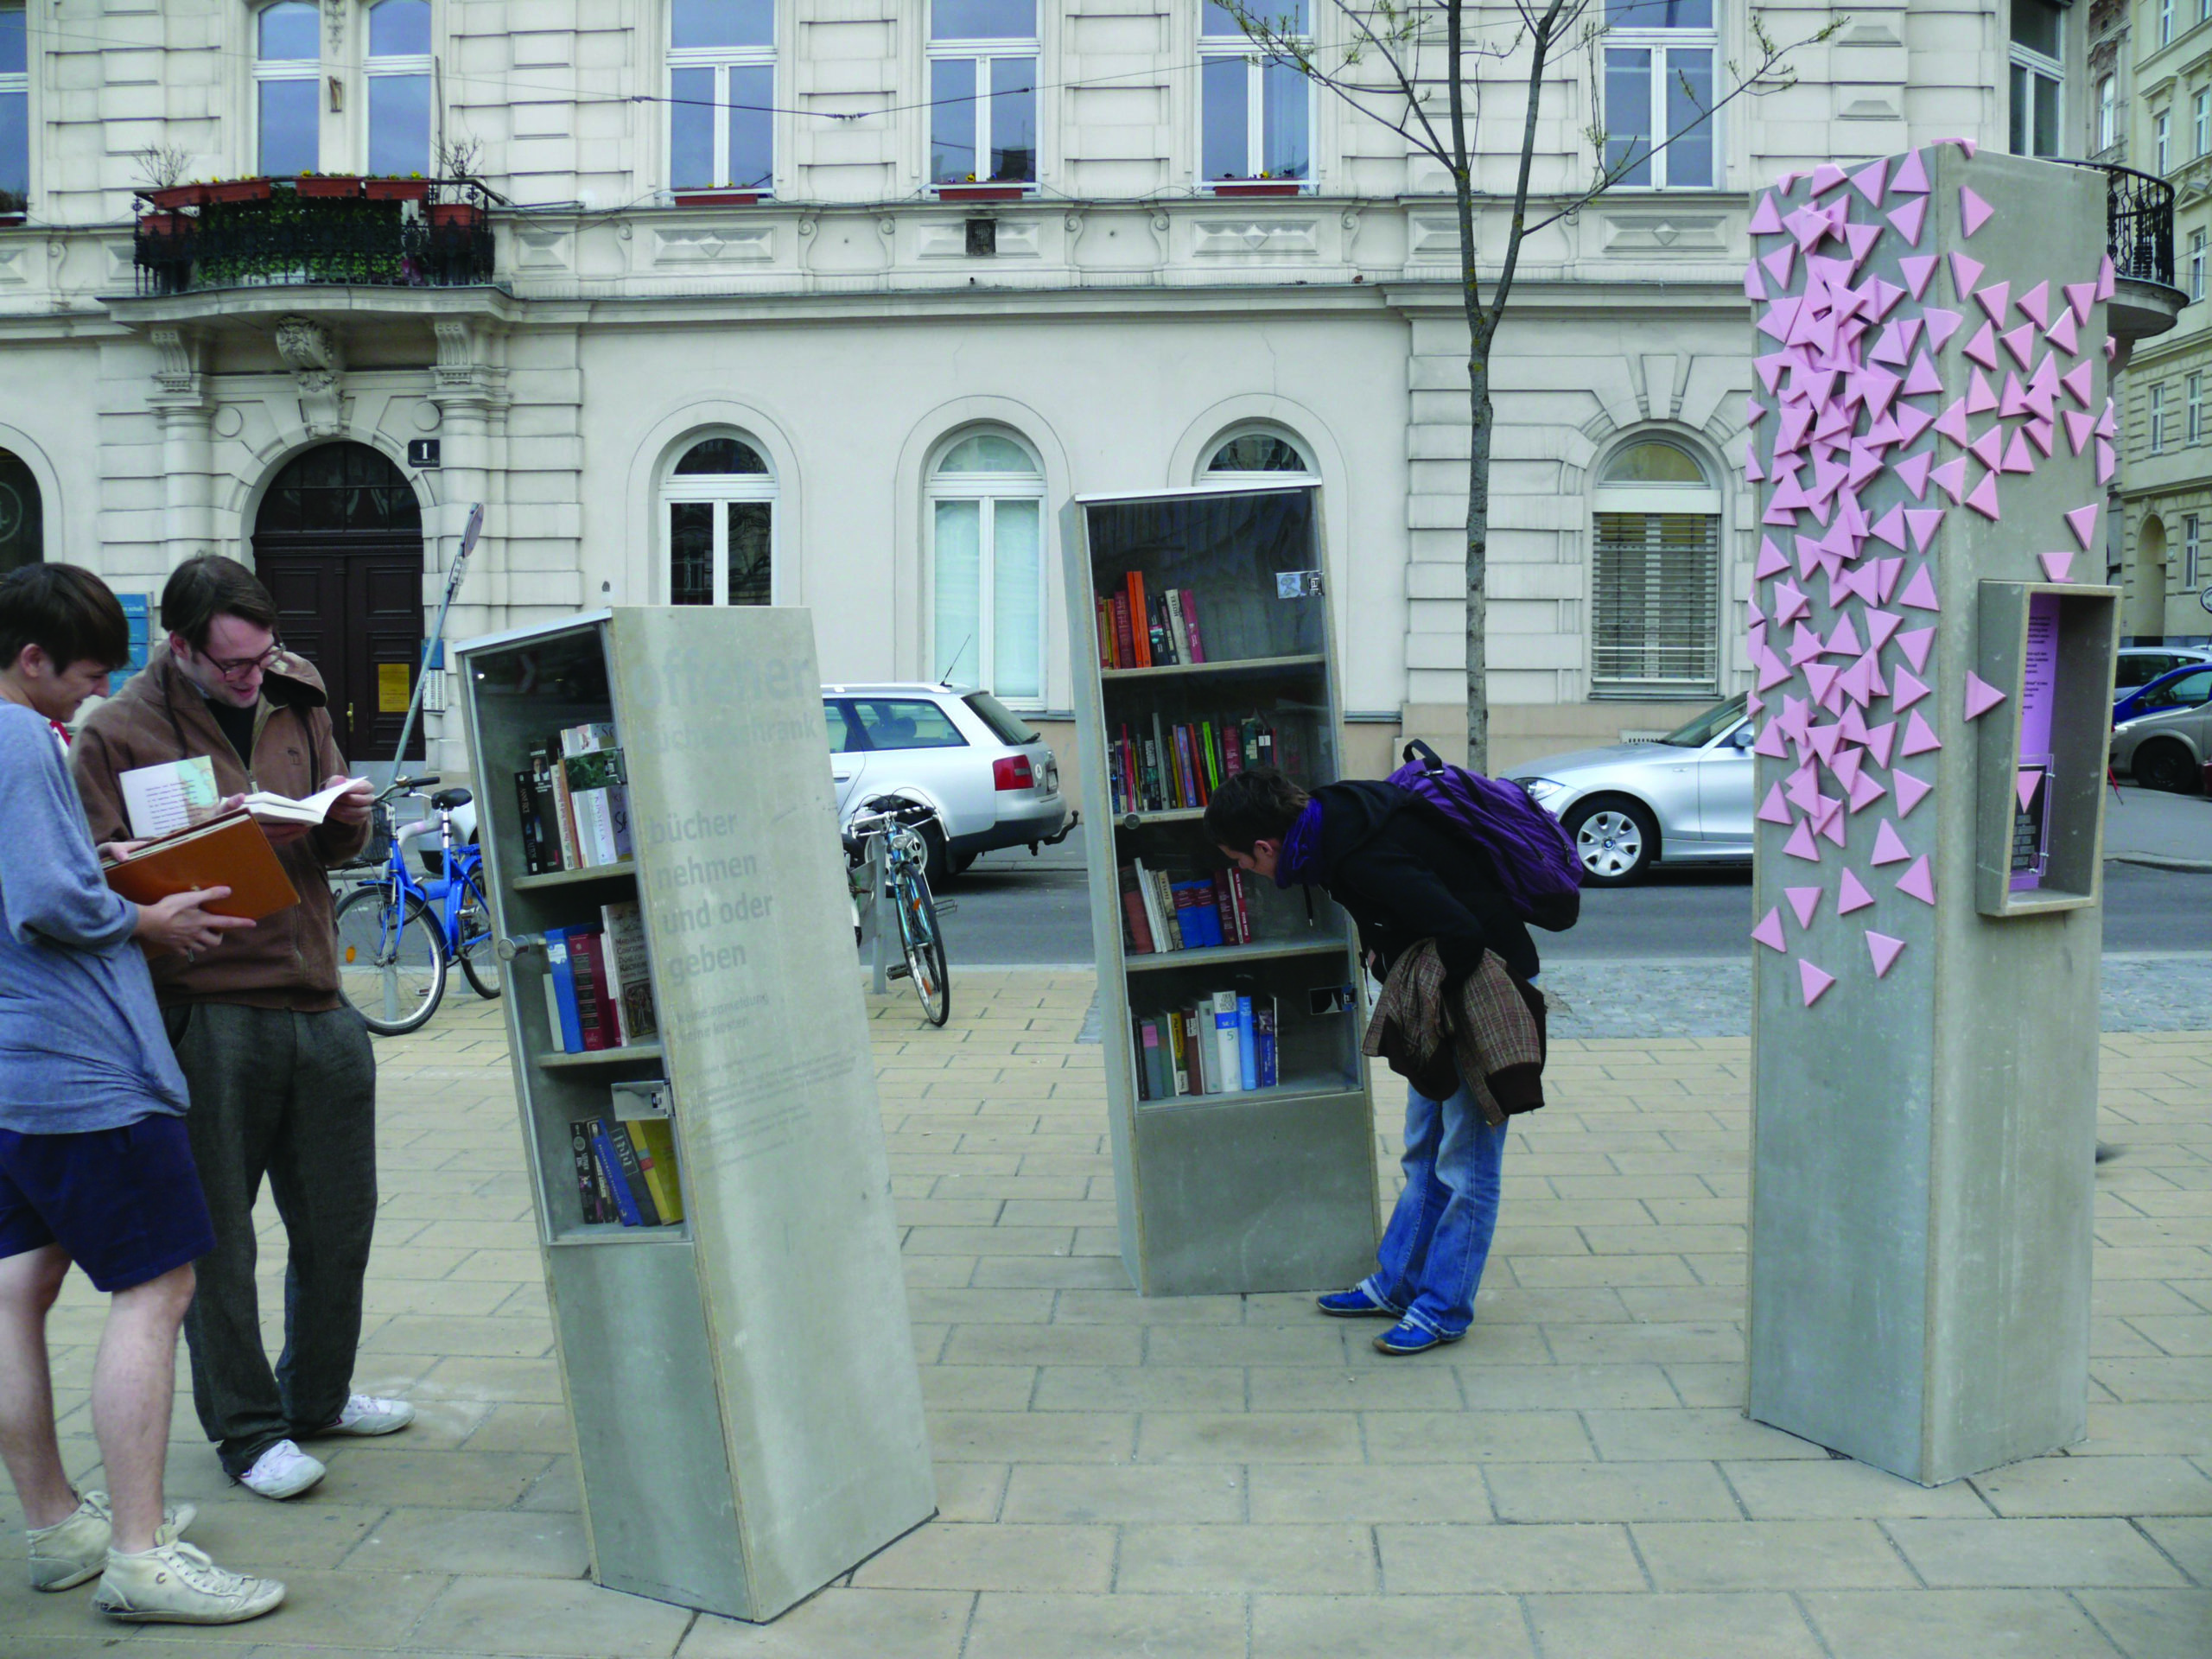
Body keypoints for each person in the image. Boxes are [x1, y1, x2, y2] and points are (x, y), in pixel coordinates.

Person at [71, 555, 410, 1501]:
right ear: (180, 647)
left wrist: (339, 820)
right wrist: (193, 846)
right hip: (207, 1009)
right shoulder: (117, 734)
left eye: (262, 658)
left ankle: (320, 1397)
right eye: (233, 667)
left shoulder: (297, 696)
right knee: (222, 1243)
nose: (253, 677)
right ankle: (250, 1433)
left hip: (318, 997)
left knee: (340, 1223)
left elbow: (344, 840)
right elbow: (96, 875)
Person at [0, 563, 284, 1622]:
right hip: (87, 1069)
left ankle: (56, 1527)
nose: (86, 699)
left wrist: (96, 858)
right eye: (79, 676)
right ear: (30, 658)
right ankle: (137, 1554)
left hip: (13, 1066)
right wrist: (143, 916)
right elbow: (45, 904)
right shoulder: (23, 738)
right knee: (159, 1290)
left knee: (15, 1290)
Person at [1205, 765, 1542, 1357]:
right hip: (1452, 988)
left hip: (1480, 989)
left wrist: (1428, 1003)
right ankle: (1398, 1283)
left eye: (1241, 860)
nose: (1244, 872)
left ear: (1265, 845)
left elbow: (1459, 931)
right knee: (1424, 1149)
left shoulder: (1357, 855)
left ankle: (1443, 1310)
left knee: (1466, 1161)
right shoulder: (1330, 822)